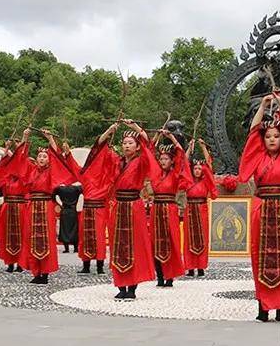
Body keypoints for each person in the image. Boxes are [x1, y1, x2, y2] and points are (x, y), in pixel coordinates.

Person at [238, 92, 280, 322]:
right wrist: (263, 106)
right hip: (262, 208)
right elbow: (252, 132)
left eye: (276, 136)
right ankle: (263, 307)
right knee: (260, 257)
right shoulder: (257, 156)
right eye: (268, 136)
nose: (272, 139)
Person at [16, 129, 78, 284]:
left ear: (49, 160)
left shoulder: (51, 171)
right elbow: (21, 159)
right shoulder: (31, 170)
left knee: (47, 240)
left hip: (46, 206)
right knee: (31, 238)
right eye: (40, 156)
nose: (42, 158)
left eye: (45, 156)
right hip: (32, 207)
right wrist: (25, 137)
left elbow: (58, 159)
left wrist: (50, 139)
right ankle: (36, 273)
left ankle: (45, 274)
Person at [104, 120, 157, 299]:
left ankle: (132, 286)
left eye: (130, 143)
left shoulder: (141, 161)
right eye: (125, 143)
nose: (127, 146)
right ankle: (121, 285)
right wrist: (109, 132)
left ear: (136, 146)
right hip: (118, 207)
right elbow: (102, 150)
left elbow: (149, 144)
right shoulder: (116, 162)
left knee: (134, 245)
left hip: (134, 206)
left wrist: (135, 128)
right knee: (118, 245)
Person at [70, 126, 118, 275]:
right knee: (85, 236)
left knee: (98, 237)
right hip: (87, 208)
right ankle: (85, 265)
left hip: (99, 208)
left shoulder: (107, 178)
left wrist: (110, 146)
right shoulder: (85, 173)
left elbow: (114, 165)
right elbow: (72, 165)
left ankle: (99, 265)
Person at [149, 129, 191, 287]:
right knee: (155, 242)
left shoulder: (174, 174)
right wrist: (158, 137)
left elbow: (180, 155)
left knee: (171, 241)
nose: (162, 161)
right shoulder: (156, 173)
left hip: (170, 209)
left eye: (166, 159)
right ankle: (159, 276)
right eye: (161, 159)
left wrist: (172, 138)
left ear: (171, 161)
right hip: (156, 209)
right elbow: (149, 153)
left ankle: (170, 276)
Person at [184, 138, 218, 277]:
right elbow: (183, 164)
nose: (197, 171)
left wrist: (203, 147)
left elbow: (209, 165)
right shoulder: (187, 179)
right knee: (189, 238)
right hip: (190, 209)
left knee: (202, 238)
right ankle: (190, 267)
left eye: (199, 168)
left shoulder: (205, 180)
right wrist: (189, 147)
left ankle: (201, 267)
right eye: (195, 168)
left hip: (202, 208)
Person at [0, 139, 28, 272]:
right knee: (7, 235)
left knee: (21, 235)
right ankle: (9, 263)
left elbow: (22, 158)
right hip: (8, 208)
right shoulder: (6, 178)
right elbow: (2, 164)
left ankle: (20, 263)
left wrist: (22, 142)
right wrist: (7, 149)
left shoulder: (23, 177)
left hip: (20, 207)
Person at [55, 182, 82, 254]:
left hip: (64, 210)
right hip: (73, 211)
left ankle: (66, 248)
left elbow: (53, 195)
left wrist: (60, 204)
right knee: (74, 229)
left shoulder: (60, 189)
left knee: (64, 229)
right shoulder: (77, 189)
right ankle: (75, 248)